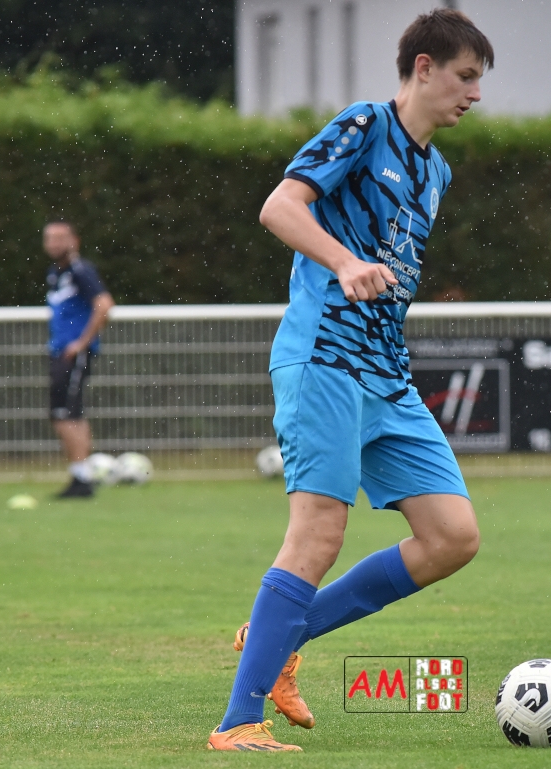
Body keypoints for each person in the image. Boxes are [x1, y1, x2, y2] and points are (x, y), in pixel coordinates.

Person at [207, 10, 494, 752]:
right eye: (465, 77)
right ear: (424, 67)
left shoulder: (437, 171)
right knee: (318, 533)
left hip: (385, 373)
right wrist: (343, 261)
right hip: (325, 358)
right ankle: (238, 723)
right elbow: (279, 206)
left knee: (452, 537)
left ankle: (279, 639)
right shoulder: (365, 125)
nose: (475, 94)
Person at [43, 221, 115, 499]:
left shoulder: (80, 270)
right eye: (49, 238)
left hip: (73, 354)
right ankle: (80, 476)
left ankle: (82, 479)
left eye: (60, 238)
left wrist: (82, 343)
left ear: (74, 240)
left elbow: (104, 304)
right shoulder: (56, 273)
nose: (54, 243)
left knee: (66, 415)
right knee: (67, 414)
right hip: (61, 351)